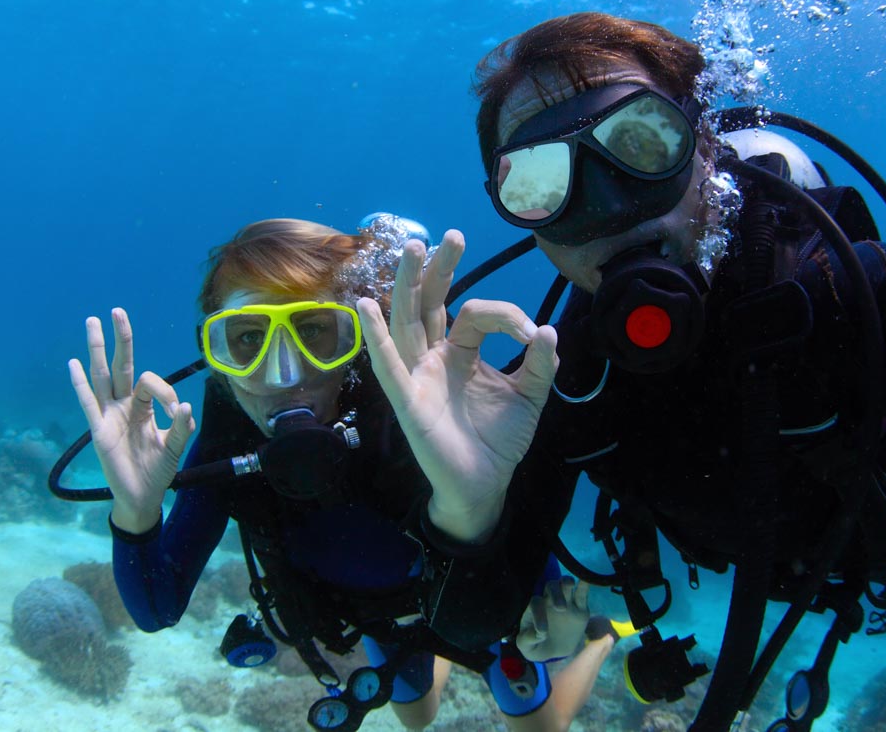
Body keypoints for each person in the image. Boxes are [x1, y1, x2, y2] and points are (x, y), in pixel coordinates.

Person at [358, 13, 886, 731]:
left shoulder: (846, 292)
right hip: (743, 549)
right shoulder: (554, 380)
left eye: (640, 144)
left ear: (703, 145)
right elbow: (472, 623)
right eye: (543, 182)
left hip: (874, 532)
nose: (609, 208)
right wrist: (466, 511)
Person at [67, 217, 624, 732]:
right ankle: (434, 658)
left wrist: (551, 614)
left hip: (475, 595)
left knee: (539, 727)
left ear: (357, 335)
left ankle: (599, 645)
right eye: (245, 339)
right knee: (417, 718)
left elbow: (501, 509)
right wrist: (137, 513)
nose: (282, 376)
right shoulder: (228, 436)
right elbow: (155, 607)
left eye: (313, 332)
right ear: (216, 354)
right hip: (376, 622)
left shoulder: (417, 409)